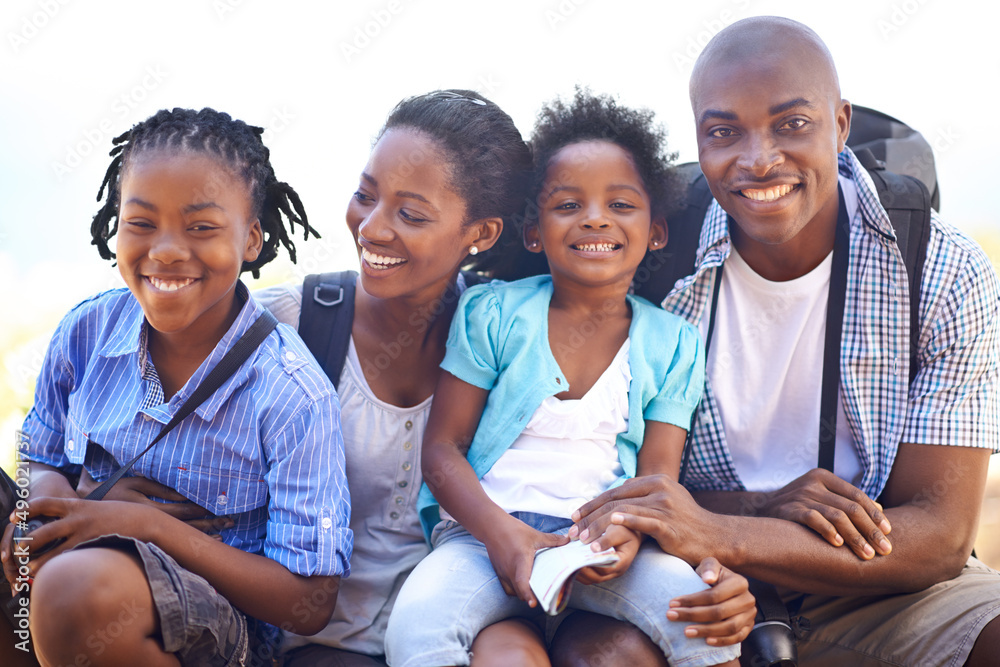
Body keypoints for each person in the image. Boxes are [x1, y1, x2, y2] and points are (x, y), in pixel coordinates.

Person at [257, 89, 753, 666]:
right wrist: (501, 535)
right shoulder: (489, 315)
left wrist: (632, 535)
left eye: (619, 204)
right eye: (568, 205)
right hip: (469, 549)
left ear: (656, 230)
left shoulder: (672, 343)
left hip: (594, 547)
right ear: (534, 231)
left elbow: (656, 486)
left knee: (700, 613)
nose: (594, 218)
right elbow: (442, 452)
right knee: (421, 627)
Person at [569, 16, 1000, 667]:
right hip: (689, 570)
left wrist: (726, 528)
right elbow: (603, 482)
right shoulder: (651, 264)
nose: (758, 158)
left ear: (841, 124)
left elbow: (937, 535)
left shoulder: (939, 269)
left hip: (877, 581)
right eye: (723, 132)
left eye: (791, 124)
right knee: (604, 653)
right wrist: (754, 511)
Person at [0, 107, 352, 666]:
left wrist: (144, 525)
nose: (165, 250)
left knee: (74, 589)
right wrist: (61, 504)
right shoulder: (87, 331)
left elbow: (308, 603)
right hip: (79, 551)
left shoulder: (290, 393)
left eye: (201, 228)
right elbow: (37, 461)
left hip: (211, 624)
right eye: (140, 223)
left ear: (253, 239)